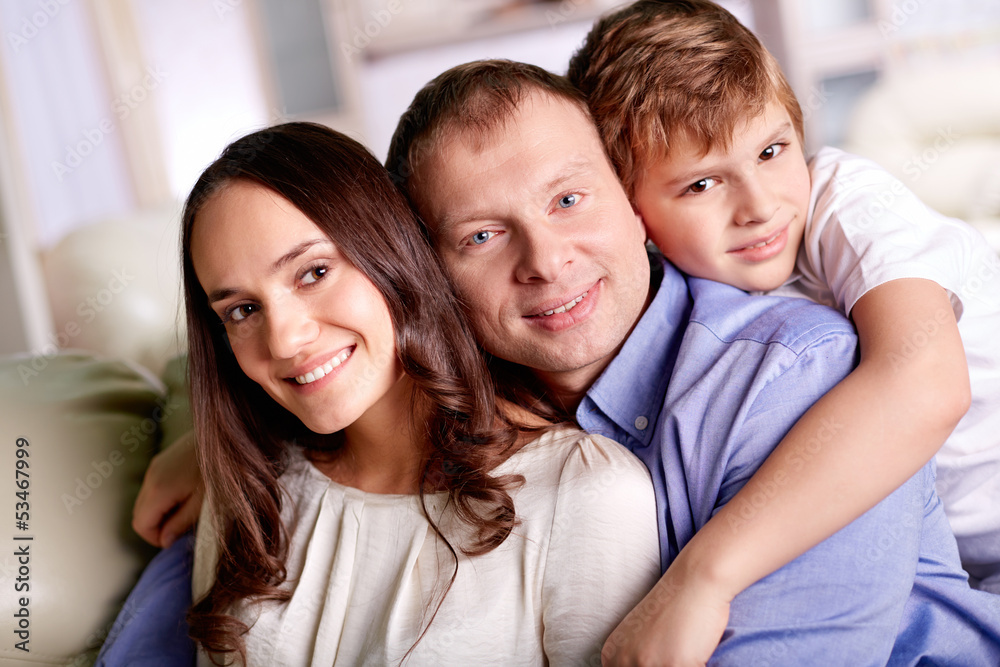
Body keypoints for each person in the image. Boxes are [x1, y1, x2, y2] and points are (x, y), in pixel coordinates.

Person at [128, 61, 1000, 666]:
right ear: (424, 268)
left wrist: (705, 574)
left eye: (570, 199)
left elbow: (921, 379)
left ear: (634, 198)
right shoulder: (455, 374)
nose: (545, 260)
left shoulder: (791, 373)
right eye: (481, 235)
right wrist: (209, 433)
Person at [98, 122, 660, 665]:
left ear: (393, 254)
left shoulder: (586, 494)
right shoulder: (247, 493)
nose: (285, 339)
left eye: (313, 272)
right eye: (242, 310)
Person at [568, 0, 1000, 658]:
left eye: (772, 149)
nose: (761, 205)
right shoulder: (680, 306)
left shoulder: (844, 203)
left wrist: (702, 578)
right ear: (630, 211)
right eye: (703, 183)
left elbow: (927, 386)